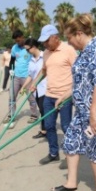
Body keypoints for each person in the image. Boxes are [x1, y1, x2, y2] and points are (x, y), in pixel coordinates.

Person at [50, 14, 96, 191]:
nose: (69, 43)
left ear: (79, 33)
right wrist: (65, 95)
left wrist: (94, 115)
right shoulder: (84, 52)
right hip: (82, 112)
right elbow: (82, 82)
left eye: (70, 38)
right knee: (71, 143)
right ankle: (71, 184)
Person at [30, 25, 76, 167]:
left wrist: (71, 92)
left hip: (65, 96)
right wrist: (34, 83)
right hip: (49, 95)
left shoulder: (69, 50)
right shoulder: (46, 53)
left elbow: (78, 72)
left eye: (47, 40)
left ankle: (71, 156)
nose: (44, 44)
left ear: (55, 38)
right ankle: (53, 153)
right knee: (49, 126)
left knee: (66, 126)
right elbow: (44, 71)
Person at [2, 30, 38, 124]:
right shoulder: (14, 48)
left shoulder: (29, 47)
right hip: (16, 76)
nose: (17, 42)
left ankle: (34, 115)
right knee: (11, 96)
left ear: (22, 37)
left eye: (18, 40)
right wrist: (11, 69)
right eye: (16, 41)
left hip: (27, 77)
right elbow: (12, 60)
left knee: (30, 97)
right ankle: (11, 115)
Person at [19, 38, 47, 139]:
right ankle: (44, 130)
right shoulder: (30, 60)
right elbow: (30, 76)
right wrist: (23, 87)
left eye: (28, 49)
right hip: (36, 90)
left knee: (45, 111)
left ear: (34, 47)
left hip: (46, 88)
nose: (27, 51)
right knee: (42, 110)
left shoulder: (45, 56)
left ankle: (47, 130)